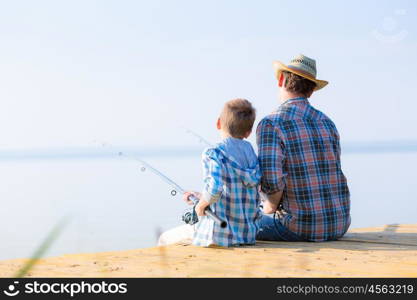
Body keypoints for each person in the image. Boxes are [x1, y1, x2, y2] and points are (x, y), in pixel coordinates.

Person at [256, 54, 351, 242]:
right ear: (311, 90)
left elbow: (272, 186)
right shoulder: (327, 122)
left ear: (282, 79)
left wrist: (265, 208)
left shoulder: (271, 124)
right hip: (339, 224)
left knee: (229, 220)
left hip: (298, 228)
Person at [158, 98, 261, 247]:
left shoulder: (213, 153)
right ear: (248, 132)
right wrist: (200, 197)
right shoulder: (250, 153)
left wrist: (200, 207)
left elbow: (215, 189)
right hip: (246, 235)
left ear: (218, 123)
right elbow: (234, 190)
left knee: (164, 238)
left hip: (219, 235)